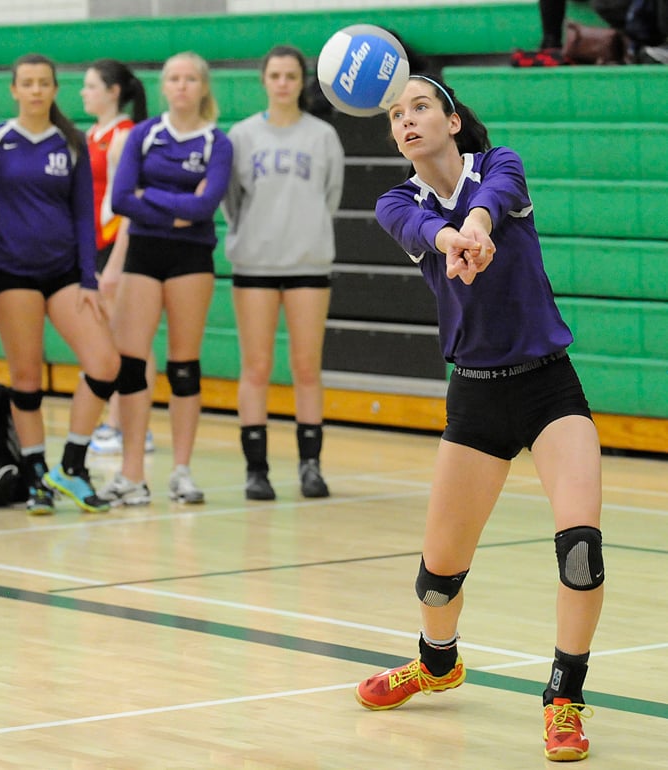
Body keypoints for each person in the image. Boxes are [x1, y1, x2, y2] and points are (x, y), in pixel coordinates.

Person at [353, 75, 604, 764]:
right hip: (475, 397)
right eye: (396, 115)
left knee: (581, 551)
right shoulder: (396, 202)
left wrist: (477, 228)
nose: (407, 120)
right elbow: (420, 228)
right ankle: (437, 663)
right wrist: (450, 239)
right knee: (437, 579)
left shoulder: (500, 165)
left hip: (549, 388)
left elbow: (493, 197)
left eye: (420, 107)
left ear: (452, 120)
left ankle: (563, 698)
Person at [0, 53, 120, 515]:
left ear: (54, 89)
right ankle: (35, 477)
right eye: (27, 83)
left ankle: (71, 465)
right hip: (12, 272)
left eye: (43, 83)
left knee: (105, 363)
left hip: (65, 272)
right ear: (14, 89)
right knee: (27, 378)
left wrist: (89, 278)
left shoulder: (70, 143)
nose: (35, 90)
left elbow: (84, 214)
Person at [102, 51, 233, 506]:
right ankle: (131, 474)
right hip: (143, 252)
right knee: (131, 362)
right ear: (163, 86)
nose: (181, 85)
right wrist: (178, 208)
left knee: (183, 366)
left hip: (191, 257)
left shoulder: (217, 143)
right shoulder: (143, 135)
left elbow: (205, 207)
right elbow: (121, 199)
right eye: (173, 78)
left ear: (203, 87)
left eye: (190, 78)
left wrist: (151, 197)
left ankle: (181, 472)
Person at [221, 45, 344, 501]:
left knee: (306, 367)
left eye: (291, 76)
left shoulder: (323, 136)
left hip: (308, 262)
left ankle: (311, 467)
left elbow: (331, 196)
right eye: (275, 75)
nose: (283, 84)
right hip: (254, 263)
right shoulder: (241, 135)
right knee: (256, 367)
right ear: (264, 80)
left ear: (301, 81)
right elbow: (231, 200)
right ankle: (257, 470)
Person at [80, 58, 156, 457]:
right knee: (106, 338)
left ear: (113, 92)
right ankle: (116, 421)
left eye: (91, 85)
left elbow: (130, 204)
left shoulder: (124, 136)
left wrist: (115, 262)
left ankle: (128, 425)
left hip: (117, 245)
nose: (84, 92)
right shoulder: (90, 135)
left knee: (131, 339)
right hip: (93, 244)